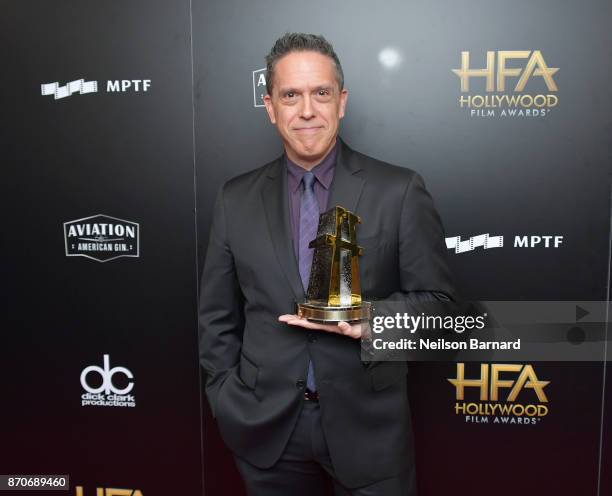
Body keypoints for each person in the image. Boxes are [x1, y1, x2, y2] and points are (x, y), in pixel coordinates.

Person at [199, 32, 455, 496]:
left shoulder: (397, 190)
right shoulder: (234, 198)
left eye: (321, 93)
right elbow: (217, 316)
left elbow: (440, 307)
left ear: (342, 101)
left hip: (369, 431)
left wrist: (371, 319)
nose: (307, 110)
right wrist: (225, 397)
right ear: (271, 107)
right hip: (266, 432)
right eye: (290, 95)